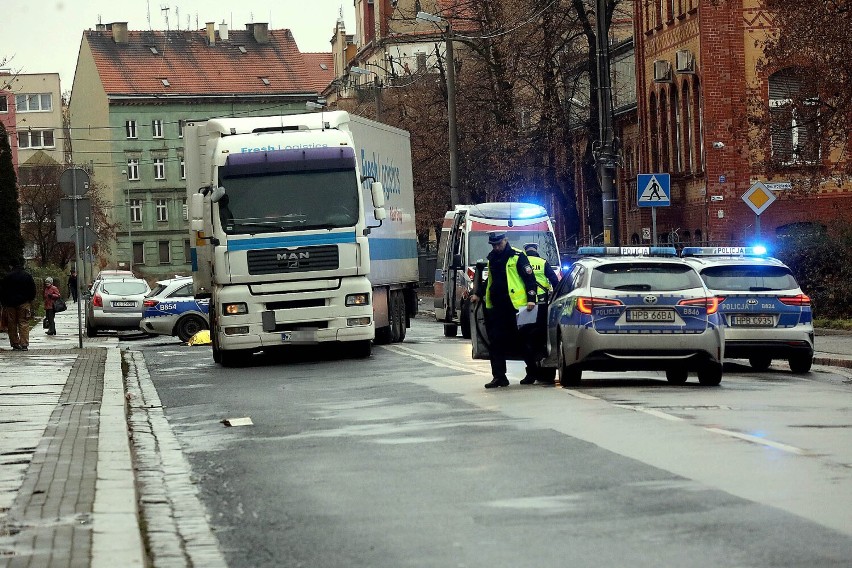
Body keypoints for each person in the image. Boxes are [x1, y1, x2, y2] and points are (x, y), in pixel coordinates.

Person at [469, 231, 539, 388]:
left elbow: (530, 279)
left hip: (515, 307)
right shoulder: (492, 258)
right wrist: (479, 294)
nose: (496, 247)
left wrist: (531, 299)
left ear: (505, 240)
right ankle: (499, 376)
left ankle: (532, 371)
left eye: (498, 244)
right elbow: (490, 280)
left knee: (522, 341)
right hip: (497, 307)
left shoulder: (517, 256)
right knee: (495, 341)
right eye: (494, 245)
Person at [518, 242, 561, 384]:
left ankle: (531, 370)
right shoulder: (543, 262)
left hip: (526, 305)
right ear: (536, 250)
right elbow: (555, 281)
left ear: (526, 251)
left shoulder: (520, 262)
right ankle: (542, 362)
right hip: (542, 305)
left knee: (525, 338)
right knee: (542, 336)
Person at [0, 261, 37, 350]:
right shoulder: (27, 276)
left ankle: (15, 344)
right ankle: (24, 344)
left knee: (11, 324)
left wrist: (4, 302)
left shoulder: (7, 277)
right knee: (23, 322)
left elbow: (2, 290)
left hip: (10, 304)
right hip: (23, 303)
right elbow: (32, 289)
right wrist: (29, 300)